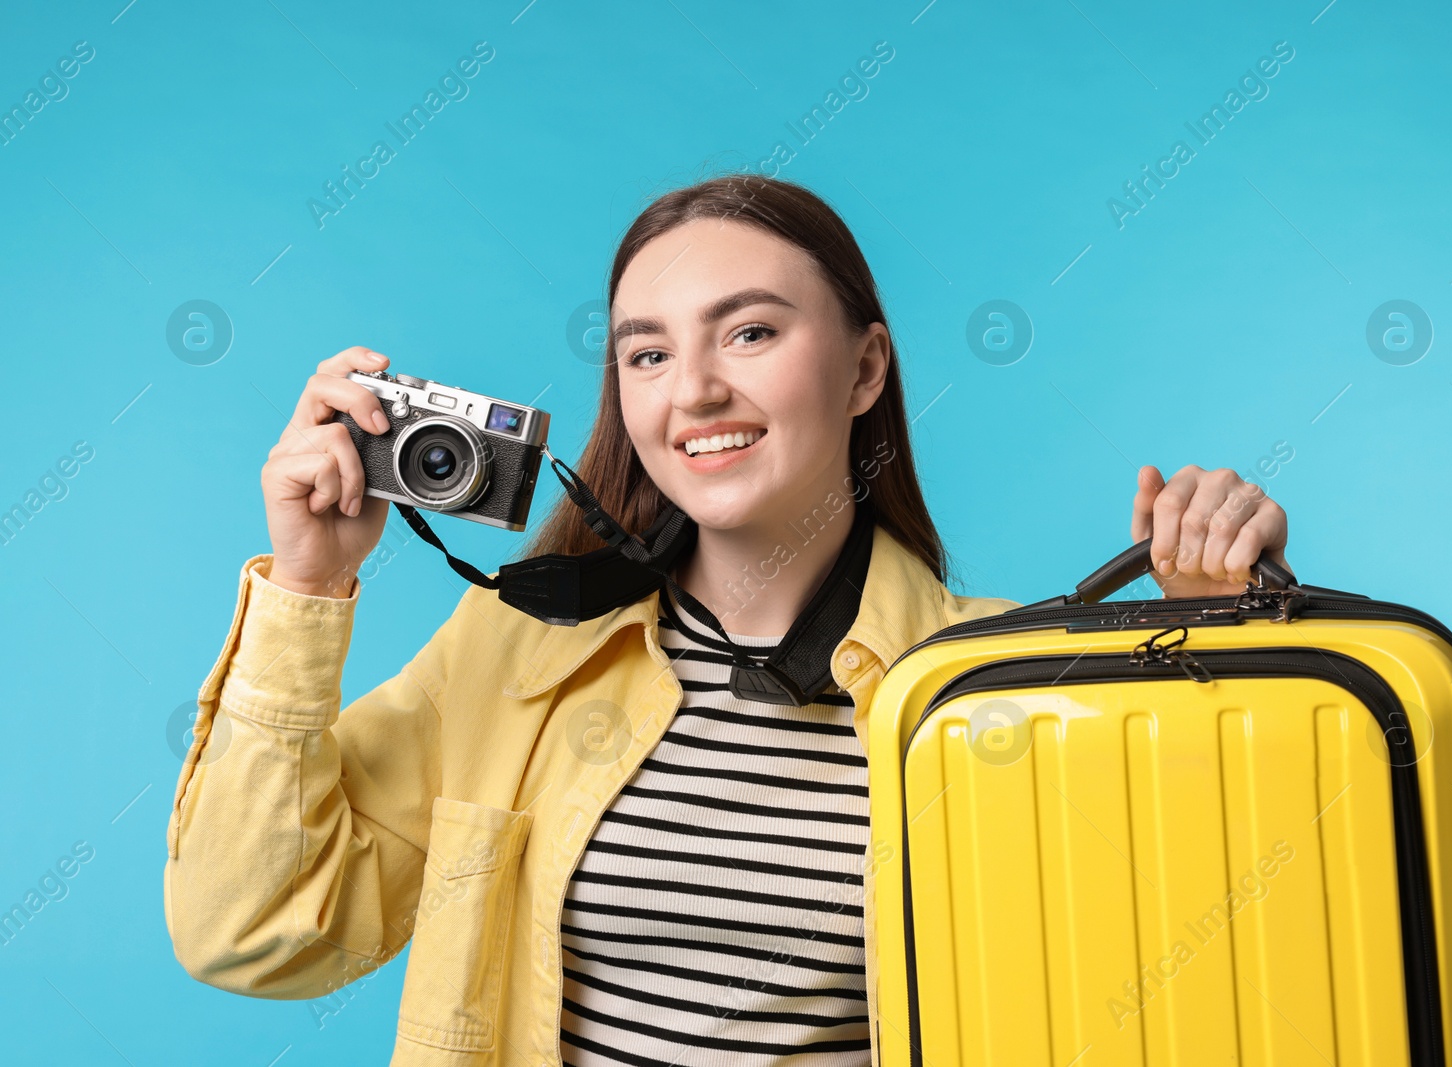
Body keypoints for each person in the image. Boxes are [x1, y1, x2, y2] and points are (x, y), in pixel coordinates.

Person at [163, 175, 1291, 1066]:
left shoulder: (995, 687)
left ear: (863, 369)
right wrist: (306, 588)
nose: (690, 388)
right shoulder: (517, 650)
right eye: (647, 353)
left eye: (747, 333)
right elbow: (255, 929)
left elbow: (1210, 980)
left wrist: (1222, 656)